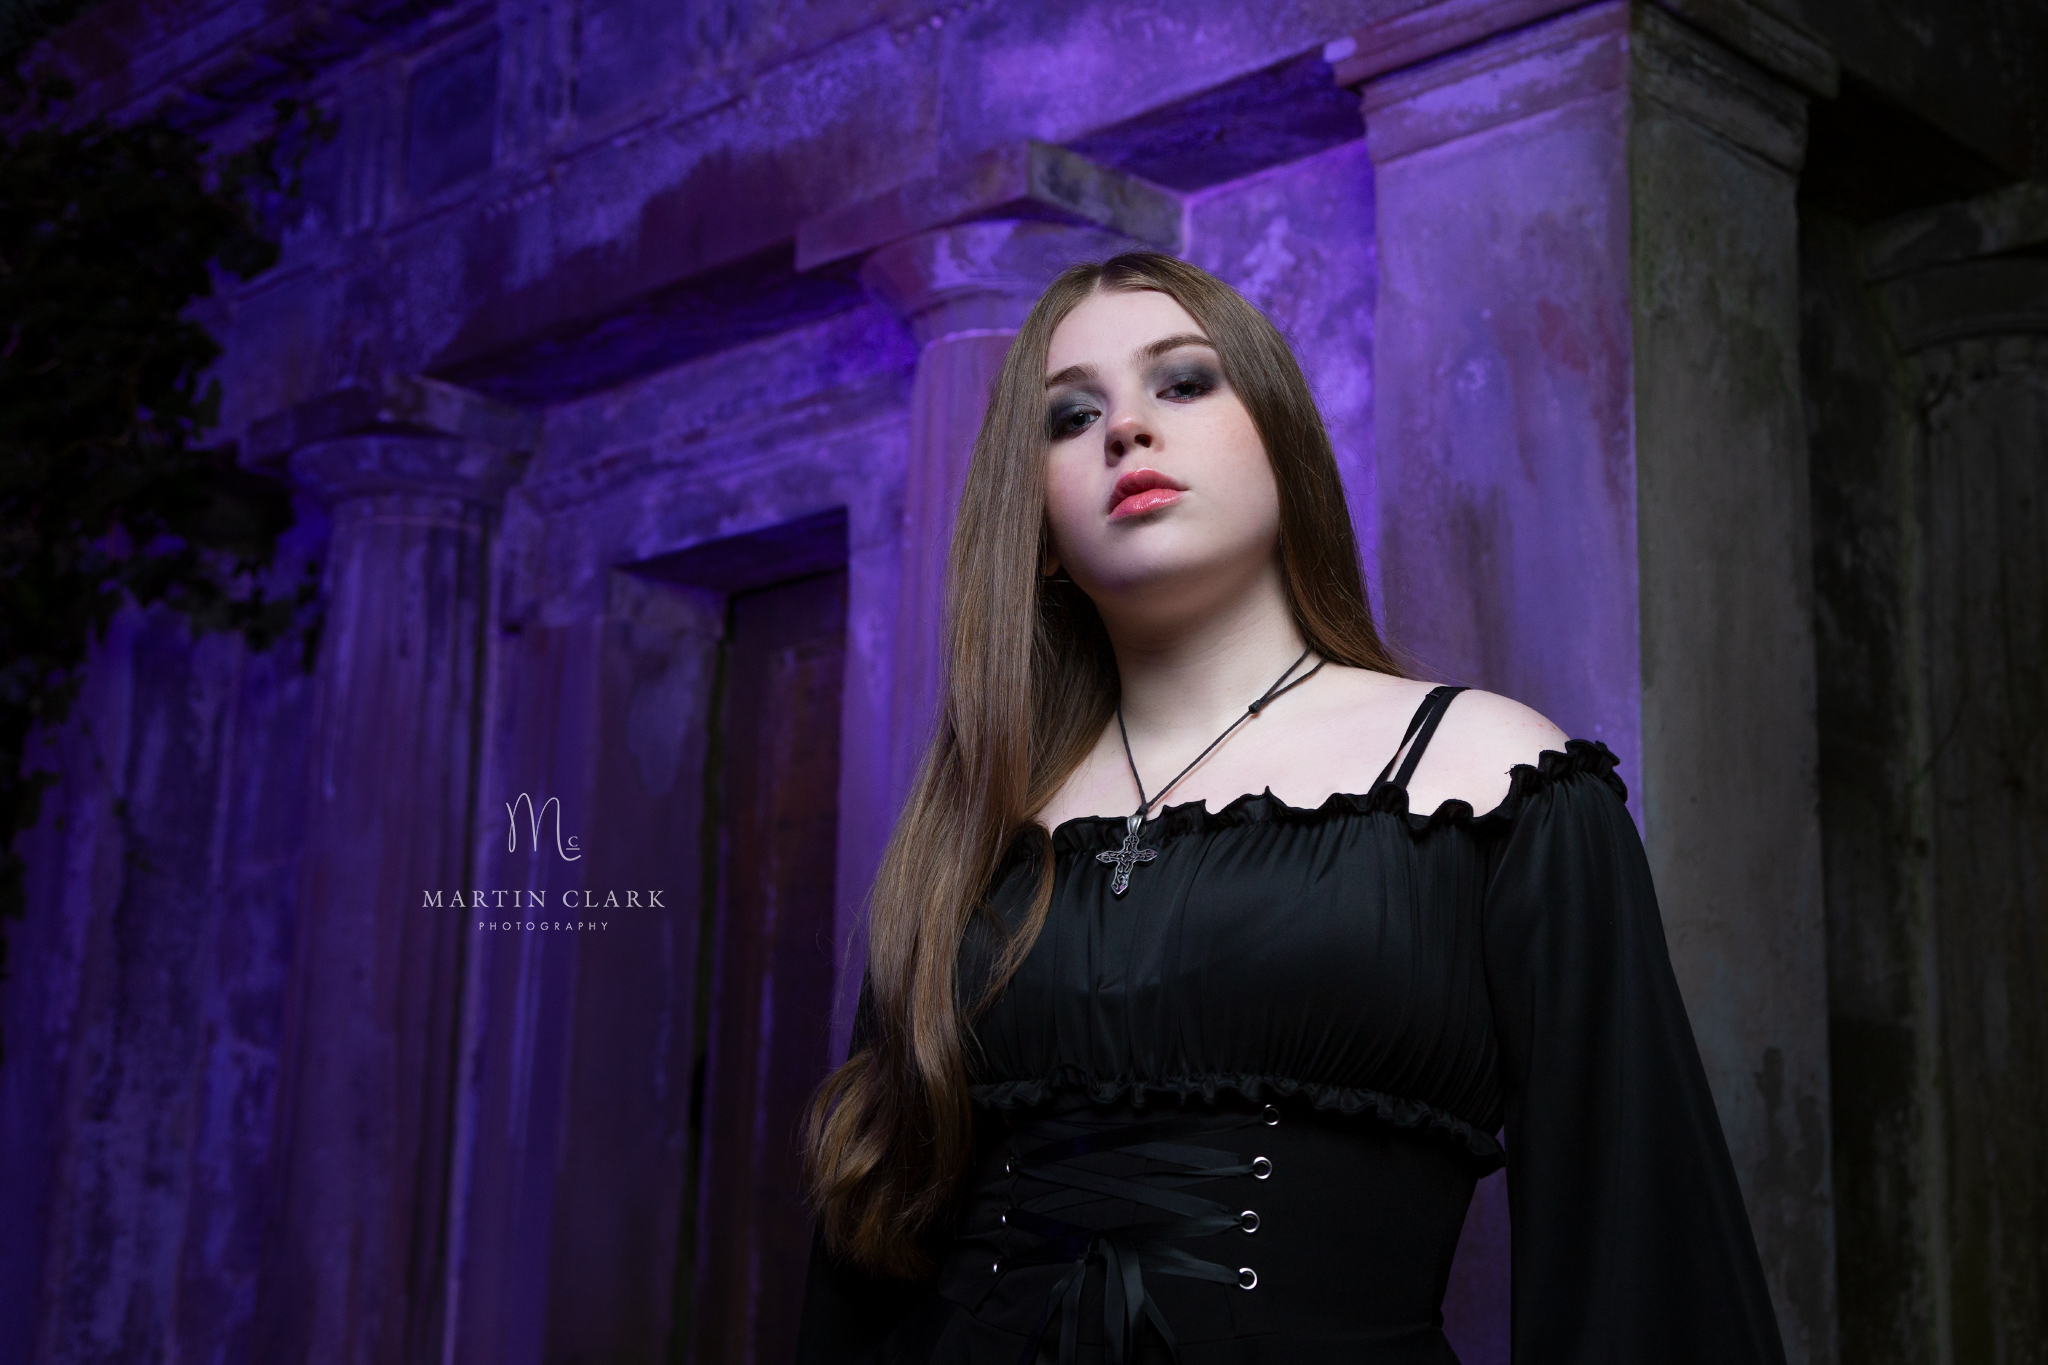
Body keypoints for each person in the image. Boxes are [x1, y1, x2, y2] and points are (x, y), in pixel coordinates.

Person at [794, 253, 1785, 1364]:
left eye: (1181, 382)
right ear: (1037, 529)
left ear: (1283, 441)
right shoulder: (962, 843)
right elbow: (859, 1276)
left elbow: (1637, 1259)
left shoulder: (1487, 778)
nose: (1124, 429)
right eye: (1070, 416)